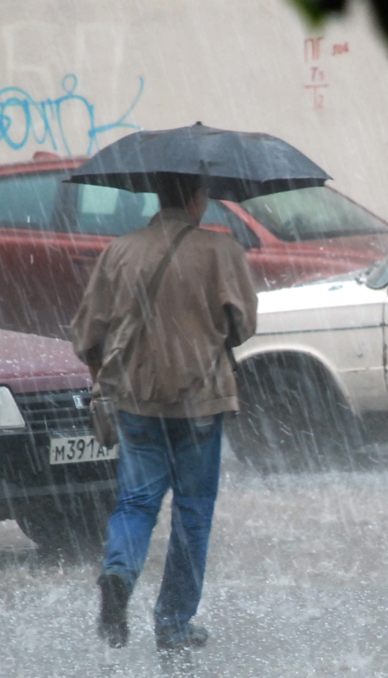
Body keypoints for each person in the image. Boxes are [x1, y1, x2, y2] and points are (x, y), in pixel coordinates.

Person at [71, 174, 258, 650]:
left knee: (136, 503)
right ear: (198, 198)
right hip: (200, 399)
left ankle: (118, 573)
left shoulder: (121, 251)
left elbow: (87, 336)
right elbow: (242, 326)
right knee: (193, 513)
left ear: (158, 196)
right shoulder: (221, 251)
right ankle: (173, 623)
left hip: (137, 400)